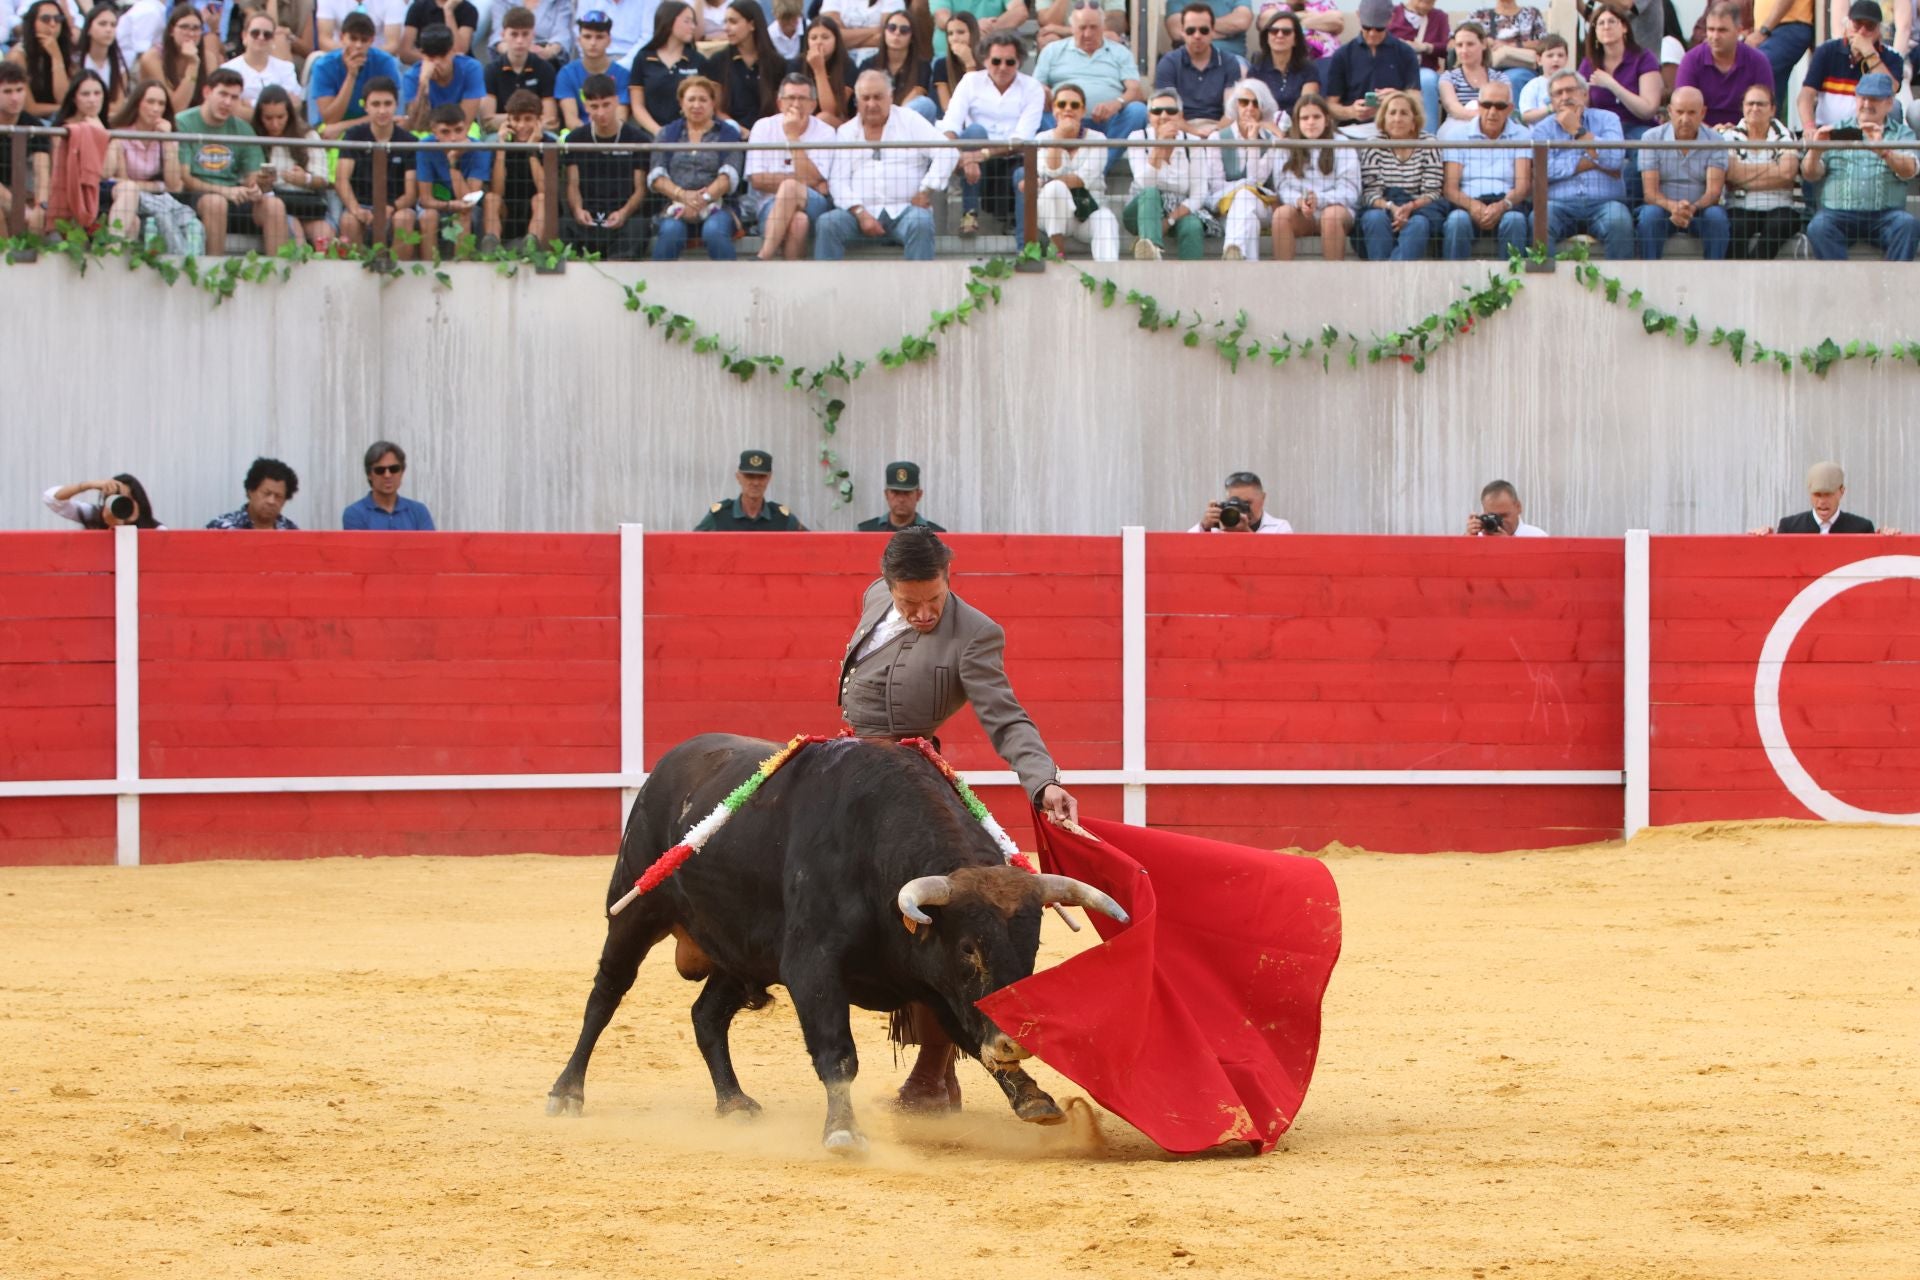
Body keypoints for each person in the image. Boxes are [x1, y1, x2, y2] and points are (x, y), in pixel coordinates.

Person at [838, 526, 1078, 1113]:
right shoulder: (875, 597)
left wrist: (1043, 779)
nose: (922, 613)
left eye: (934, 601)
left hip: (909, 783)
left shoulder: (975, 633)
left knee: (943, 931)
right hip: (847, 767)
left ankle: (932, 1070)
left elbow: (1007, 718)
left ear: (950, 579)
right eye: (909, 602)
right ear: (888, 586)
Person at [815, 67, 957, 260]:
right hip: (859, 214)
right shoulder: (846, 132)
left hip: (904, 211)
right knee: (827, 224)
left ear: (890, 97)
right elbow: (838, 182)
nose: (871, 104)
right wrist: (860, 212)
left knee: (921, 222)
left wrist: (926, 190)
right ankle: (825, 288)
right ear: (857, 102)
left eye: (877, 97)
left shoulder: (910, 121)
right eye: (865, 98)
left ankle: (922, 289)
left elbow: (948, 152)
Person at [1799, 70, 1918, 260]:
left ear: (1889, 103)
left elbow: (1910, 170)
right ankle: (1840, 284)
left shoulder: (1902, 134)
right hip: (1838, 215)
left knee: (1908, 225)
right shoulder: (1836, 130)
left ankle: (1893, 286)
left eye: (1875, 99)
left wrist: (1884, 151)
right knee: (1818, 226)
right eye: (1863, 98)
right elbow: (1810, 175)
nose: (1867, 104)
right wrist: (1815, 150)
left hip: (1886, 215)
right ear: (1855, 98)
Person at [938, 31, 1042, 234]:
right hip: (975, 156)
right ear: (985, 60)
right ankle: (969, 213)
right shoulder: (970, 81)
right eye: (996, 61)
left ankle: (1023, 245)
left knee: (1018, 168)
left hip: (1012, 158)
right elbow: (951, 124)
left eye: (1009, 62)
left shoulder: (1032, 88)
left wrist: (982, 154)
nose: (1002, 67)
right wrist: (959, 155)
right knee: (975, 131)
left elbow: (1022, 138)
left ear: (1019, 62)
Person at [177, 66, 286, 254]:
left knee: (274, 205)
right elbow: (184, 178)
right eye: (223, 94)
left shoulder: (243, 129)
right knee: (215, 203)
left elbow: (253, 174)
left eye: (234, 97)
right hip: (195, 196)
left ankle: (279, 276)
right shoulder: (183, 122)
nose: (228, 102)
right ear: (207, 92)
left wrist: (255, 186)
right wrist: (225, 191)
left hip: (235, 195)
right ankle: (214, 272)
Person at [1531, 70, 1631, 260]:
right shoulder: (1541, 130)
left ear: (1585, 94)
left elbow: (1615, 159)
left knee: (1620, 220)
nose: (1565, 97)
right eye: (1558, 93)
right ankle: (1545, 286)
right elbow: (1544, 171)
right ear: (1551, 101)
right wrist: (1592, 159)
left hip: (1605, 203)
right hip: (1559, 205)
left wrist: (1578, 131)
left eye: (1571, 90)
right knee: (1539, 220)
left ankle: (1618, 287)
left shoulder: (1608, 119)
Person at [648, 75, 743, 259]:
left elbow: (728, 176)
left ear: (713, 103)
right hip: (674, 204)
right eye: (691, 99)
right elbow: (657, 177)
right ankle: (656, 286)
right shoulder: (667, 133)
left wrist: (703, 199)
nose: (697, 105)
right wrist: (683, 196)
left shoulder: (728, 133)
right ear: (681, 103)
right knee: (670, 232)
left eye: (703, 99)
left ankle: (732, 286)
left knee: (714, 231)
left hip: (718, 205)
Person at [1027, 80, 1120, 259]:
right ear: (1054, 109)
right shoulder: (1042, 137)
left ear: (1083, 110)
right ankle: (1057, 252)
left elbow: (1082, 179)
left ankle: (1109, 275)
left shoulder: (1098, 138)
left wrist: (1046, 181)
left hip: (1087, 211)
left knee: (1106, 219)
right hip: (1052, 216)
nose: (1067, 109)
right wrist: (1058, 138)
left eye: (1074, 105)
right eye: (1062, 104)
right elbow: (1049, 171)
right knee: (1055, 189)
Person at [1634, 85, 1728, 258]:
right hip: (1663, 211)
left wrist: (1691, 208)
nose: (1685, 119)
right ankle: (1649, 276)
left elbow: (1713, 193)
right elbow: (1650, 193)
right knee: (1649, 215)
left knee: (1717, 216)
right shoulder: (1651, 138)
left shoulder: (1716, 140)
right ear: (1670, 111)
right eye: (1680, 112)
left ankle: (1715, 276)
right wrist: (1674, 207)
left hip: (1700, 212)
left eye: (1692, 112)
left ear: (1703, 113)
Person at [746, 72, 832, 259]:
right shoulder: (763, 127)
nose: (796, 104)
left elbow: (817, 179)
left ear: (813, 104)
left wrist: (793, 137)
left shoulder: (826, 132)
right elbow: (757, 180)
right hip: (770, 205)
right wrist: (809, 180)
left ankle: (763, 257)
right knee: (798, 222)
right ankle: (793, 283)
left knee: (790, 187)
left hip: (813, 202)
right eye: (790, 98)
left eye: (802, 98)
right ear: (779, 103)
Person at [1034, 3, 1144, 150]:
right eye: (1082, 28)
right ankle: (1061, 163)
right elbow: (1034, 87)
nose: (1088, 34)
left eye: (1093, 27)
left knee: (1138, 111)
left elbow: (1135, 90)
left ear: (1103, 27)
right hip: (1061, 118)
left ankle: (1101, 165)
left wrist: (1116, 103)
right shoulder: (1052, 51)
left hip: (1107, 120)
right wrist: (1043, 91)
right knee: (1035, 111)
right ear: (1072, 28)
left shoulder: (1120, 52)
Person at [1440, 76, 1528, 258]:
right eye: (1487, 105)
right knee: (1457, 221)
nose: (1493, 111)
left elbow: (1523, 185)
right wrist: (1473, 206)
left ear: (1510, 109)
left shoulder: (1522, 135)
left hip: (1507, 204)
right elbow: (1450, 188)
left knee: (1516, 220)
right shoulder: (1457, 135)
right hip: (1466, 203)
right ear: (1479, 106)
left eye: (1500, 106)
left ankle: (1514, 283)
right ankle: (1453, 284)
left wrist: (1502, 206)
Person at [1123, 87, 1215, 260]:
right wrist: (1159, 146)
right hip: (1141, 209)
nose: (1164, 116)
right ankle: (1151, 252)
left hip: (1178, 209)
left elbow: (1199, 193)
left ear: (1180, 116)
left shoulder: (1192, 143)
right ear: (1149, 117)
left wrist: (1169, 221)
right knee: (1150, 194)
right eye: (1157, 111)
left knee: (1193, 225)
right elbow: (1144, 184)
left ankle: (1192, 281)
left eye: (1170, 111)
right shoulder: (1138, 137)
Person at [561, 71, 647, 255]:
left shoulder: (637, 138)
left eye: (606, 105)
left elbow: (640, 188)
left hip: (623, 217)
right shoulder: (575, 138)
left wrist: (624, 212)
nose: (601, 113)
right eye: (594, 106)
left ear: (616, 101)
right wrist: (578, 209)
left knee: (638, 227)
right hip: (587, 217)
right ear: (586, 107)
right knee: (563, 226)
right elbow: (573, 184)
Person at [335, 76, 423, 255]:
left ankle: (398, 278)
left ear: (396, 105)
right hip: (361, 205)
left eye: (387, 104)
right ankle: (357, 277)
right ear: (365, 106)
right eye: (375, 104)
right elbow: (341, 180)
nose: (382, 110)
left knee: (405, 219)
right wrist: (356, 209)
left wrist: (390, 207)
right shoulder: (353, 136)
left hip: (396, 207)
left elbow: (411, 192)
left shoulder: (409, 141)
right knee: (348, 221)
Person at [1357, 87, 1442, 259]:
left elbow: (1432, 192)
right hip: (1383, 207)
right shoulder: (1374, 144)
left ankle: (1386, 278)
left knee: (1418, 224)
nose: (1397, 118)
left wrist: (1410, 207)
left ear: (1414, 120)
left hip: (1418, 209)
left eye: (1404, 113)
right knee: (1375, 219)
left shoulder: (1429, 143)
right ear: (1384, 118)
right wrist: (1392, 207)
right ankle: (1386, 279)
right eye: (1392, 113)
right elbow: (1369, 193)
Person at [1796, 0, 1902, 135]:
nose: (1862, 31)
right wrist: (1809, 127)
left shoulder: (1892, 56)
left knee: (1895, 107)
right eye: (1857, 25)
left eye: (1869, 26)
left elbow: (1891, 88)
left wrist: (1870, 54)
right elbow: (1806, 95)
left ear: (1879, 31)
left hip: (1870, 133)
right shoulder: (1827, 50)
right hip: (1827, 131)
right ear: (1847, 24)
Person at [1272, 92, 1357, 259]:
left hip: (1337, 212)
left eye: (1316, 117)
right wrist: (1299, 201)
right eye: (1305, 118)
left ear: (1326, 119)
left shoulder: (1343, 144)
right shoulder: (1286, 146)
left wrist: (1320, 199)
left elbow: (1350, 191)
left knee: (1330, 217)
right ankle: (1282, 280)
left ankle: (1334, 281)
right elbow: (1282, 187)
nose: (1311, 122)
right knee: (1281, 216)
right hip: (1301, 212)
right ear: (1297, 121)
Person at [1578, 3, 1662, 171]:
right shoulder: (1588, 63)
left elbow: (1647, 110)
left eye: (1612, 21)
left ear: (1624, 27)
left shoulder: (1644, 59)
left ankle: (1630, 197)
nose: (1606, 27)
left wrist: (1612, 85)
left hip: (1636, 126)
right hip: (1601, 129)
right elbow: (1581, 105)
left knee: (1643, 152)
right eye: (1600, 23)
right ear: (1595, 32)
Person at [252, 83, 333, 249]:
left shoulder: (307, 135)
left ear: (289, 114)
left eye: (280, 117)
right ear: (260, 117)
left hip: (306, 204)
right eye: (268, 118)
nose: (275, 124)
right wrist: (263, 182)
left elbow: (323, 180)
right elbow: (246, 178)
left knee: (325, 236)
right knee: (295, 234)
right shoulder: (254, 136)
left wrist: (305, 179)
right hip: (272, 203)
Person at [104, 77, 185, 241]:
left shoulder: (167, 138)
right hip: (121, 198)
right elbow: (111, 176)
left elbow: (175, 185)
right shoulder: (121, 134)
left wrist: (168, 140)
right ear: (137, 103)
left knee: (137, 221)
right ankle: (113, 252)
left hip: (153, 201)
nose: (155, 109)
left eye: (161, 104)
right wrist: (157, 185)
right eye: (150, 102)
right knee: (131, 213)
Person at [1724, 83, 1799, 259]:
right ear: (1743, 107)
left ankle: (1755, 267)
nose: (1755, 108)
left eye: (1761, 104)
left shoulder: (1786, 136)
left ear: (1772, 109)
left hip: (1780, 207)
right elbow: (1731, 174)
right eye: (1750, 104)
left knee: (1781, 222)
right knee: (1735, 225)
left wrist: (1744, 177)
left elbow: (1787, 173)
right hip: (1740, 206)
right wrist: (1774, 171)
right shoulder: (1728, 136)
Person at [1209, 78, 1280, 261]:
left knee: (1246, 197)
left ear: (1263, 108)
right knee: (1249, 220)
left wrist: (1253, 143)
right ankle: (1243, 260)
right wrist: (1243, 187)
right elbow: (1217, 185)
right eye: (1244, 102)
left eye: (1256, 103)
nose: (1249, 108)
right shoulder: (1217, 138)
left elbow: (1256, 180)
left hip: (1261, 205)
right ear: (1236, 105)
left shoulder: (1271, 141)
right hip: (1225, 206)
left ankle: (1233, 253)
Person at [1325, 0, 1420, 135]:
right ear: (1358, 16)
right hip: (1353, 130)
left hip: (1394, 130)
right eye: (1367, 27)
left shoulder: (1405, 53)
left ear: (1390, 19)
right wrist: (1351, 111)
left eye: (1379, 28)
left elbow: (1416, 99)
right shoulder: (1343, 55)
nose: (1372, 33)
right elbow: (1330, 105)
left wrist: (1396, 97)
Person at [1154, 2, 1245, 135]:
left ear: (1213, 31)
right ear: (1182, 32)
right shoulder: (1168, 63)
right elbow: (1169, 112)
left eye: (1204, 30)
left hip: (1219, 128)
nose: (1197, 35)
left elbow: (1231, 113)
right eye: (1191, 31)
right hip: (1180, 129)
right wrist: (1195, 133)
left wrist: (1215, 132)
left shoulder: (1229, 62)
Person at [308, 11, 403, 138]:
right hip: (335, 132)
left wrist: (345, 126)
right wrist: (351, 75)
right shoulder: (323, 66)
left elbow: (386, 114)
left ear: (372, 40)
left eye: (364, 40)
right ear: (342, 37)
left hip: (373, 129)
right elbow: (330, 119)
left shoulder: (385, 63)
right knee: (328, 132)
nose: (358, 45)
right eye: (353, 38)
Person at [416, 101, 495, 253]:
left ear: (466, 128)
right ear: (434, 132)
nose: (453, 138)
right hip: (437, 205)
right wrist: (451, 205)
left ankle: (462, 269)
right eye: (445, 132)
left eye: (458, 130)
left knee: (463, 215)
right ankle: (430, 269)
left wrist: (453, 165)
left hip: (468, 207)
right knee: (428, 216)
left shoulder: (479, 149)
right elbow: (425, 200)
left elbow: (469, 200)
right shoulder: (425, 146)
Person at [1676, 2, 1771, 126]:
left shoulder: (1758, 61)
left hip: (1747, 136)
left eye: (1722, 30)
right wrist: (1713, 134)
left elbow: (1766, 109)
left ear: (1739, 31)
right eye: (1711, 30)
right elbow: (1683, 111)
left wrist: (1738, 132)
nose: (1715, 36)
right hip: (1700, 137)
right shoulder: (1691, 60)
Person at [628, 0, 713, 137]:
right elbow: (637, 106)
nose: (693, 27)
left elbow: (708, 103)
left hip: (690, 136)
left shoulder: (698, 61)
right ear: (668, 21)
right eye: (687, 21)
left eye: (694, 22)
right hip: (651, 136)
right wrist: (659, 132)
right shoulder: (643, 58)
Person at [1750, 461, 1894, 534]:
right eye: (1817, 495)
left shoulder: (1861, 528)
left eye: (1828, 494)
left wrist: (1889, 541)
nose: (1822, 502)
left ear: (1841, 492)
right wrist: (1762, 541)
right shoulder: (1790, 527)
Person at [46, 69, 110, 232]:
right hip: (69, 191)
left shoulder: (106, 128)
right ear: (74, 98)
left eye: (97, 93)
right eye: (85, 94)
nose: (92, 100)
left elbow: (107, 171)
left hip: (100, 193)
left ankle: (113, 249)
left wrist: (100, 133)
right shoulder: (62, 130)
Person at [490, 88, 552, 244]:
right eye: (516, 119)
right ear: (508, 120)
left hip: (540, 210)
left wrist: (531, 150)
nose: (521, 125)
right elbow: (497, 190)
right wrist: (502, 148)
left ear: (539, 120)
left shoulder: (550, 143)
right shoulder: (500, 144)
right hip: (509, 209)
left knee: (540, 199)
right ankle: (491, 246)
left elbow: (545, 190)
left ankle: (531, 245)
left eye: (528, 119)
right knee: (491, 198)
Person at [713, 0, 787, 129]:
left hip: (768, 136)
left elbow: (780, 107)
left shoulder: (776, 63)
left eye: (733, 22)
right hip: (730, 135)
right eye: (725, 22)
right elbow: (717, 110)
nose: (726, 28)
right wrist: (739, 130)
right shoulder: (718, 61)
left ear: (752, 25)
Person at [482, 5, 556, 131]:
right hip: (502, 132)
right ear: (503, 35)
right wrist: (526, 120)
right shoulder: (491, 70)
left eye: (525, 34)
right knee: (492, 142)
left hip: (538, 132)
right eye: (514, 34)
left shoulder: (545, 69)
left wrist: (518, 122)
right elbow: (487, 120)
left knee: (551, 141)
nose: (520, 40)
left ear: (533, 35)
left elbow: (551, 120)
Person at [218, 7, 298, 123]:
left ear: (273, 39)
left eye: (267, 34)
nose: (261, 37)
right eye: (255, 33)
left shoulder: (286, 68)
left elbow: (294, 105)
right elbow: (234, 110)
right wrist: (275, 111)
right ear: (244, 36)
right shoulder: (228, 69)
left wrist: (250, 104)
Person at [402, 22, 486, 130]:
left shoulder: (471, 68)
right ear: (422, 54)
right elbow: (416, 124)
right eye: (431, 57)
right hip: (427, 130)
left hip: (462, 129)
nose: (437, 62)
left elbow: (466, 120)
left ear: (452, 51)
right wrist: (423, 85)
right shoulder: (412, 76)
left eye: (442, 56)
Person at [694, 449, 806, 529]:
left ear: (769, 478)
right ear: (738, 477)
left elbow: (812, 545)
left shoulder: (782, 519)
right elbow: (691, 546)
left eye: (761, 477)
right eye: (749, 476)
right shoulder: (720, 516)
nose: (756, 483)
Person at [554, 9, 627, 128]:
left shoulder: (622, 75)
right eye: (587, 37)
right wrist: (592, 139)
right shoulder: (566, 74)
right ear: (579, 40)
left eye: (599, 37)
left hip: (613, 140)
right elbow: (571, 121)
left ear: (609, 40)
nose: (593, 43)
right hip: (580, 140)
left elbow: (620, 118)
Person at [0, 63, 49, 235]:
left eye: (19, 90)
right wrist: (22, 211)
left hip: (20, 194)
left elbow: (42, 170)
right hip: (8, 198)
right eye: (7, 91)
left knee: (41, 217)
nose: (15, 98)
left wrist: (41, 206)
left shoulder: (34, 125)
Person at [1245, 5, 1317, 120]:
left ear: (1296, 39)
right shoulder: (1256, 70)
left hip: (1298, 129)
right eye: (1274, 31)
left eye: (1286, 32)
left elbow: (1306, 107)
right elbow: (1249, 108)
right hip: (1264, 129)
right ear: (1267, 37)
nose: (1279, 35)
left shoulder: (1308, 69)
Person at [343, 441, 436, 529]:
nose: (387, 475)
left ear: (402, 472)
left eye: (394, 469)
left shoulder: (419, 512)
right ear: (369, 475)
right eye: (380, 470)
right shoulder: (355, 513)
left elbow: (430, 546)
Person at [130, 2, 202, 115]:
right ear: (171, 30)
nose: (191, 33)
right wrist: (193, 65)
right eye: (184, 27)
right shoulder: (153, 58)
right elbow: (174, 108)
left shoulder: (208, 56)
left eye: (196, 28)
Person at [1750, 0, 1817, 115]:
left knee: (1755, 70)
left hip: (1788, 26)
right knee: (1771, 91)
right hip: (1774, 29)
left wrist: (1763, 31)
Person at [8, 0, 73, 117]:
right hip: (27, 123)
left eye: (58, 19)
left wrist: (56, 57)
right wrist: (69, 108)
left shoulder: (63, 52)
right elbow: (29, 108)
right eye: (45, 19)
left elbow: (62, 98)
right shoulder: (18, 56)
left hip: (56, 119)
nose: (53, 24)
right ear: (32, 23)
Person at [1390, 0, 1449, 129]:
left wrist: (1426, 47)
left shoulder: (1439, 17)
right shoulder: (1392, 13)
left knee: (1427, 80)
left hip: (1424, 69)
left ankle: (1428, 140)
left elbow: (1447, 48)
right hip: (1393, 69)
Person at [1472, 0, 1547, 98]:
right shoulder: (1479, 15)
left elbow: (1544, 43)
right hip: (1488, 66)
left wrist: (1510, 45)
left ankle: (1513, 113)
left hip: (1521, 66)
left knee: (1512, 79)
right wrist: (1483, 41)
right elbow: (1453, 42)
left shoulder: (1531, 14)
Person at [872, 6, 933, 124]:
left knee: (925, 104)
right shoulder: (870, 64)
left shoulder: (922, 65)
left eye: (904, 30)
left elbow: (917, 95)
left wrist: (894, 120)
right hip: (876, 120)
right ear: (884, 32)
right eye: (892, 28)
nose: (897, 33)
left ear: (912, 37)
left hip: (907, 123)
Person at [207, 456, 301, 529]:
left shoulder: (292, 531)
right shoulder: (220, 527)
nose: (271, 501)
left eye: (278, 496)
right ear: (250, 491)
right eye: (266, 493)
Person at [1439, 22, 1500, 132]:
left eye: (1470, 44)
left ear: (1484, 44)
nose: (1464, 50)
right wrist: (1481, 117)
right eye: (1459, 45)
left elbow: (1502, 108)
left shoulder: (1499, 78)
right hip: (1458, 128)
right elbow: (1453, 108)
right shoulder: (1448, 77)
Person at [42, 475, 164, 528]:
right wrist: (89, 485)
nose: (126, 505)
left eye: (131, 499)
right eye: (121, 499)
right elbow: (51, 499)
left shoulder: (157, 530)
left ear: (141, 501)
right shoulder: (96, 516)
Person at [1190, 471, 1292, 532]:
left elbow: (1278, 562)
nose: (1241, 509)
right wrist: (1204, 527)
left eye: (1247, 503)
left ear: (1263, 498)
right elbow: (1186, 551)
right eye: (1234, 502)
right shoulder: (1218, 525)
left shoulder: (1279, 528)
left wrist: (1246, 533)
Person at [74, 3, 128, 118]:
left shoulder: (119, 65)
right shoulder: (76, 61)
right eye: (102, 24)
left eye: (113, 25)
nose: (109, 29)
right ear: (88, 28)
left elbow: (118, 105)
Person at [857, 461, 946, 531]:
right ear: (886, 495)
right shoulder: (865, 531)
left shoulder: (936, 536)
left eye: (907, 493)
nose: (901, 499)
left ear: (919, 495)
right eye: (895, 492)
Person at [801, 12, 853, 123]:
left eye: (825, 37)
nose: (819, 42)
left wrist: (819, 70)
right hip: (804, 119)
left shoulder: (847, 65)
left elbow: (831, 112)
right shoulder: (797, 64)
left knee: (823, 118)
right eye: (813, 38)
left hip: (836, 122)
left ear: (836, 40)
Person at [820, 0, 904, 63]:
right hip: (840, 59)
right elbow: (831, 33)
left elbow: (890, 36)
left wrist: (847, 39)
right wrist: (878, 30)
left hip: (879, 59)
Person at [1164, 0, 1252, 59]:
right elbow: (1176, 30)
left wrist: (1194, 28)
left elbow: (1242, 22)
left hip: (1233, 58)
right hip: (1189, 59)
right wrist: (1226, 32)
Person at [400, 0, 478, 62]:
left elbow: (459, 52)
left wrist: (448, 11)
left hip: (462, 69)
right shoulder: (418, 7)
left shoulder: (468, 9)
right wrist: (436, 61)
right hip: (426, 66)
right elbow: (405, 54)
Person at [931, 8, 977, 112]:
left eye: (961, 32)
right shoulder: (941, 64)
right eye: (950, 34)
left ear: (973, 33)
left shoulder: (988, 62)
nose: (955, 38)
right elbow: (947, 108)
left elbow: (977, 103)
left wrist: (970, 64)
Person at [1464, 479, 1545, 536]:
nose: (1499, 522)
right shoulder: (1478, 537)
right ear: (1484, 512)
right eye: (1493, 516)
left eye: (1504, 516)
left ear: (1518, 507)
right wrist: (1466, 541)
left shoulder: (1537, 537)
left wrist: (1508, 544)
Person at [1516, 32, 1566, 124]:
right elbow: (1526, 116)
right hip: (1541, 136)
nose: (1556, 59)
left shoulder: (1572, 85)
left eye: (1560, 55)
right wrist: (1550, 109)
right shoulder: (1533, 86)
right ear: (1539, 60)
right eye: (1550, 56)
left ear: (1566, 59)